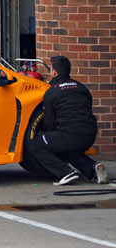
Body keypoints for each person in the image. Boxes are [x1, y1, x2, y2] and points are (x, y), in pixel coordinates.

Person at [26, 56, 110, 186]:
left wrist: (45, 135)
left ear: (54, 72)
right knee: (65, 147)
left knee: (34, 145)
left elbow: (49, 123)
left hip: (70, 135)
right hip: (90, 136)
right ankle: (93, 168)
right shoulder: (82, 88)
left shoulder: (51, 92)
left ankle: (64, 173)